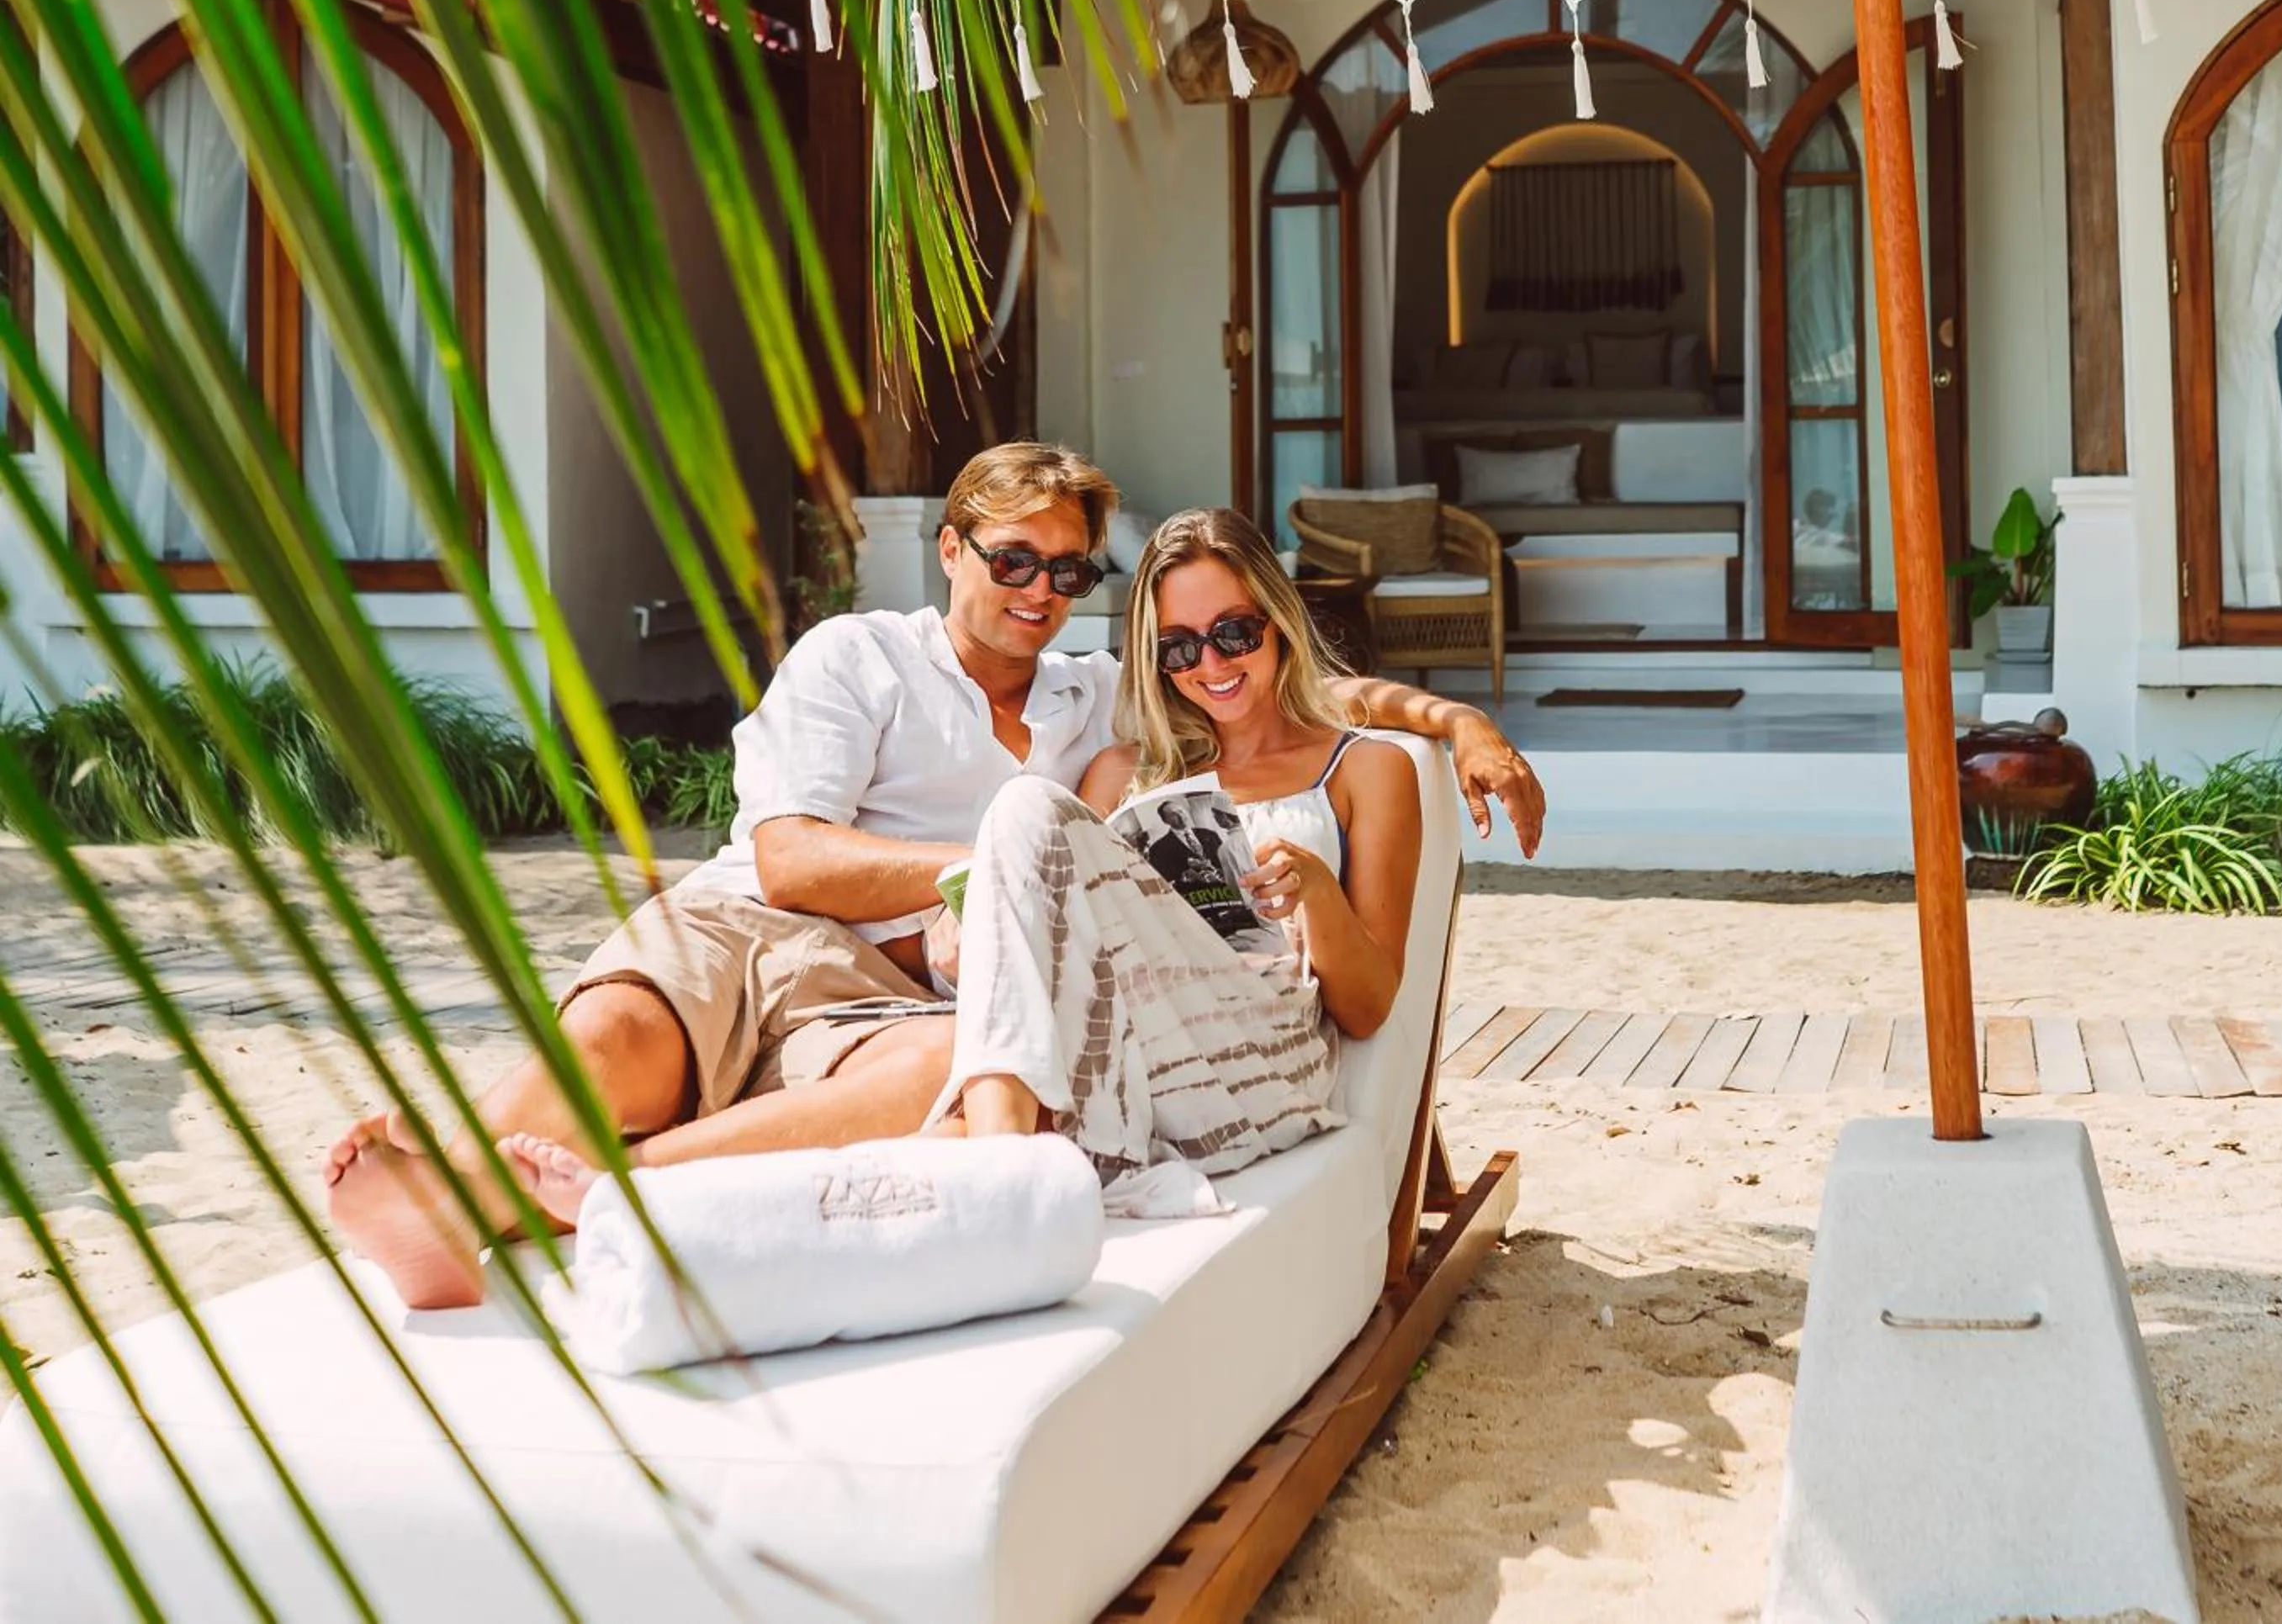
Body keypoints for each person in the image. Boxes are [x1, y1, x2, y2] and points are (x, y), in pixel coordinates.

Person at [326, 445, 1546, 1307]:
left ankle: (581, 1198)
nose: (1040, 593)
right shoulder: (870, 658)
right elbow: (789, 859)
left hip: (907, 989)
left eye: (1068, 574)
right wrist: (999, 878)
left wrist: (1453, 719)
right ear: (951, 549)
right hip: (758, 927)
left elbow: (1295, 704)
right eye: (1014, 561)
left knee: (938, 1061)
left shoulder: (1095, 708)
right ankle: (450, 1188)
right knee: (628, 1043)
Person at [941, 506, 1426, 1184]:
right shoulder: (1124, 774)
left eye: (1235, 632)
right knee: (1024, 809)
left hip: (1271, 1066)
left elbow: (1371, 1009)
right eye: (1179, 646)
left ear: (1279, 622)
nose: (1212, 664)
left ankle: (996, 1175)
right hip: (1142, 1058)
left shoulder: (1365, 770)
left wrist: (1316, 892)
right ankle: (1001, 1177)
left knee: (1030, 809)